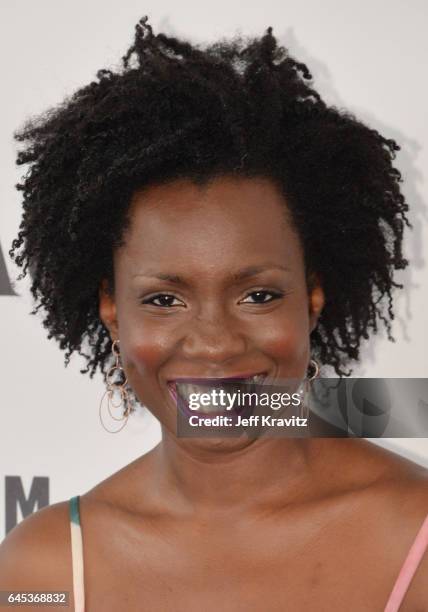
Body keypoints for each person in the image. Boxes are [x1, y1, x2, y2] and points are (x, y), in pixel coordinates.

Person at [0, 16, 427, 611]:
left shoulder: (417, 539)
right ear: (111, 309)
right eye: (164, 300)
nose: (214, 343)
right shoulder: (43, 568)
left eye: (257, 295)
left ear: (312, 296)